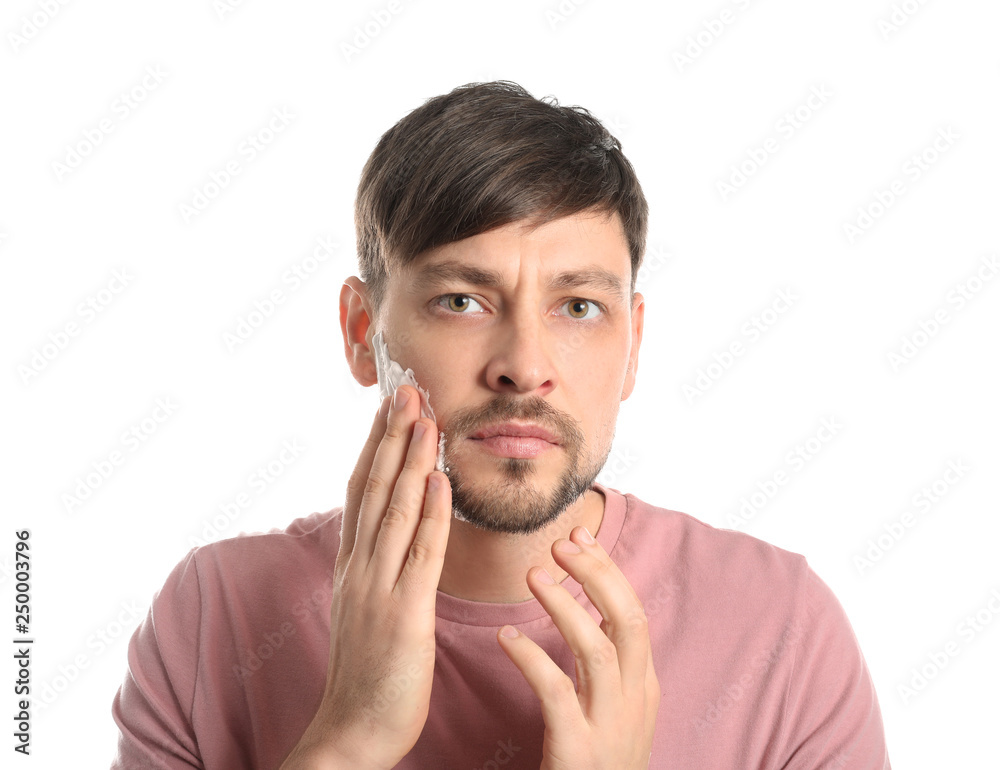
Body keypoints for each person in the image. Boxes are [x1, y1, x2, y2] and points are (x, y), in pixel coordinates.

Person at [111, 81, 891, 769]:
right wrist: (347, 739)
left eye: (579, 307)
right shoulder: (212, 615)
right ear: (362, 334)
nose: (524, 365)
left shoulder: (782, 630)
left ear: (633, 349)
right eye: (462, 300)